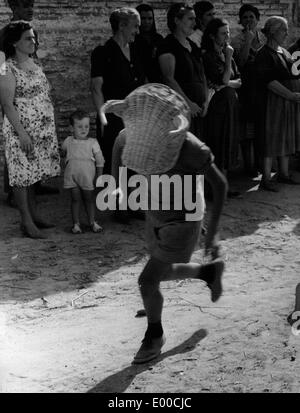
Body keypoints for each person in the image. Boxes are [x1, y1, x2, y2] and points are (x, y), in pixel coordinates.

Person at [100, 83, 227, 364]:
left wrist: (212, 234)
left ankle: (154, 336)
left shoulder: (191, 147)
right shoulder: (131, 135)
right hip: (154, 212)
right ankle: (207, 274)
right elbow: (120, 145)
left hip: (183, 219)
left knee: (147, 280)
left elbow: (220, 185)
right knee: (162, 271)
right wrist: (119, 184)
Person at [0, 22, 61, 238]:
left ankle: (34, 215)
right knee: (20, 175)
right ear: (14, 42)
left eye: (34, 37)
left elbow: (44, 95)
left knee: (34, 174)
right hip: (21, 129)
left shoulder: (35, 63)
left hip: (41, 129)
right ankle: (26, 222)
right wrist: (22, 133)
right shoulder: (7, 67)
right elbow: (7, 104)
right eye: (28, 38)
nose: (33, 41)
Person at [90, 7, 145, 175]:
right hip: (113, 118)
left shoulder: (137, 51)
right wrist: (103, 119)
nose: (138, 31)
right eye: (135, 26)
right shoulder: (103, 52)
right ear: (122, 26)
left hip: (135, 117)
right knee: (114, 164)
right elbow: (96, 89)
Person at [254, 16, 300, 191]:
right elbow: (269, 81)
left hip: (286, 103)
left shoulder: (284, 52)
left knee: (285, 136)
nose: (287, 33)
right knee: (271, 138)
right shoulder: (263, 54)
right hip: (272, 103)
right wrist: (289, 94)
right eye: (283, 29)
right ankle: (266, 179)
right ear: (273, 31)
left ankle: (284, 173)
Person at [202, 18, 242, 198]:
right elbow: (224, 80)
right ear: (212, 35)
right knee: (217, 143)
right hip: (217, 106)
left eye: (228, 32)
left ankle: (223, 186)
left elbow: (238, 81)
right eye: (223, 33)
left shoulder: (227, 53)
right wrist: (227, 60)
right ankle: (214, 188)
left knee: (228, 142)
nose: (227, 36)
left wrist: (225, 83)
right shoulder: (209, 56)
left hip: (230, 104)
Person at [158, 3, 209, 140]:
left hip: (199, 109)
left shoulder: (193, 45)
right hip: (181, 110)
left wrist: (206, 101)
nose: (195, 22)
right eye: (190, 19)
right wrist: (187, 103)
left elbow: (202, 74)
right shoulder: (168, 45)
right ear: (177, 20)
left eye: (195, 18)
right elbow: (168, 78)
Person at [231, 4, 265, 175]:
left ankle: (261, 163)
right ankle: (249, 166)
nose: (249, 20)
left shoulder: (265, 39)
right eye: (245, 17)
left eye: (252, 17)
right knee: (246, 129)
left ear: (258, 19)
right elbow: (241, 63)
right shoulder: (236, 40)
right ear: (240, 21)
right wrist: (248, 42)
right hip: (245, 89)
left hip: (263, 88)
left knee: (261, 127)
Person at [62, 110, 104, 234]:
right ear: (71, 128)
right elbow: (63, 152)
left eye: (86, 126)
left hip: (87, 177)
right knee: (75, 199)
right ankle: (76, 224)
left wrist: (100, 175)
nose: (83, 129)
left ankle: (92, 222)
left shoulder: (93, 143)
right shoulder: (68, 141)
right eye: (79, 126)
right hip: (72, 177)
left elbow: (100, 160)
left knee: (89, 199)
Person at [134, 3, 164, 82]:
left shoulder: (158, 39)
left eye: (150, 18)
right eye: (143, 18)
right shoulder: (132, 40)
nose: (147, 22)